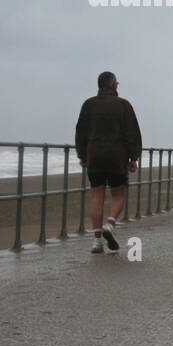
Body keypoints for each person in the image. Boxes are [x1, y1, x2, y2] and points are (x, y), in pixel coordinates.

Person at [75, 72, 142, 254]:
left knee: (97, 197)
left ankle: (97, 242)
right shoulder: (123, 105)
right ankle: (110, 224)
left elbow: (81, 131)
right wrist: (134, 157)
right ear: (114, 86)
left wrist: (82, 155)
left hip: (94, 157)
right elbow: (132, 133)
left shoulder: (89, 105)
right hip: (116, 157)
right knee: (118, 195)